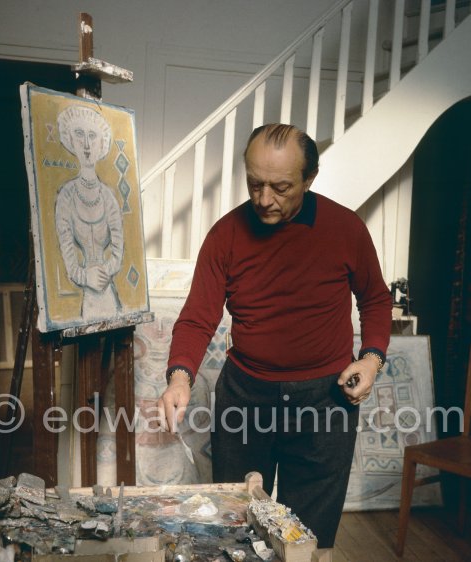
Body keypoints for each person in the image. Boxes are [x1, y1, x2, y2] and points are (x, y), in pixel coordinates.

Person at [158, 123, 392, 556]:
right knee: (236, 529)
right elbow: (196, 318)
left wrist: (372, 358)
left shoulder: (346, 228)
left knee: (309, 538)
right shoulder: (225, 234)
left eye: (281, 187)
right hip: (245, 396)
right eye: (254, 184)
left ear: (309, 179)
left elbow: (376, 299)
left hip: (327, 399)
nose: (264, 199)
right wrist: (179, 378)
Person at [55, 105, 124, 322]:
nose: (86, 145)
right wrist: (86, 277)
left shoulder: (108, 197)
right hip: (88, 297)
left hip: (108, 292)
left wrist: (104, 271)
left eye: (92, 136)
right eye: (79, 134)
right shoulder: (66, 196)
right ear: (70, 141)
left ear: (101, 144)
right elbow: (69, 258)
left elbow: (118, 251)